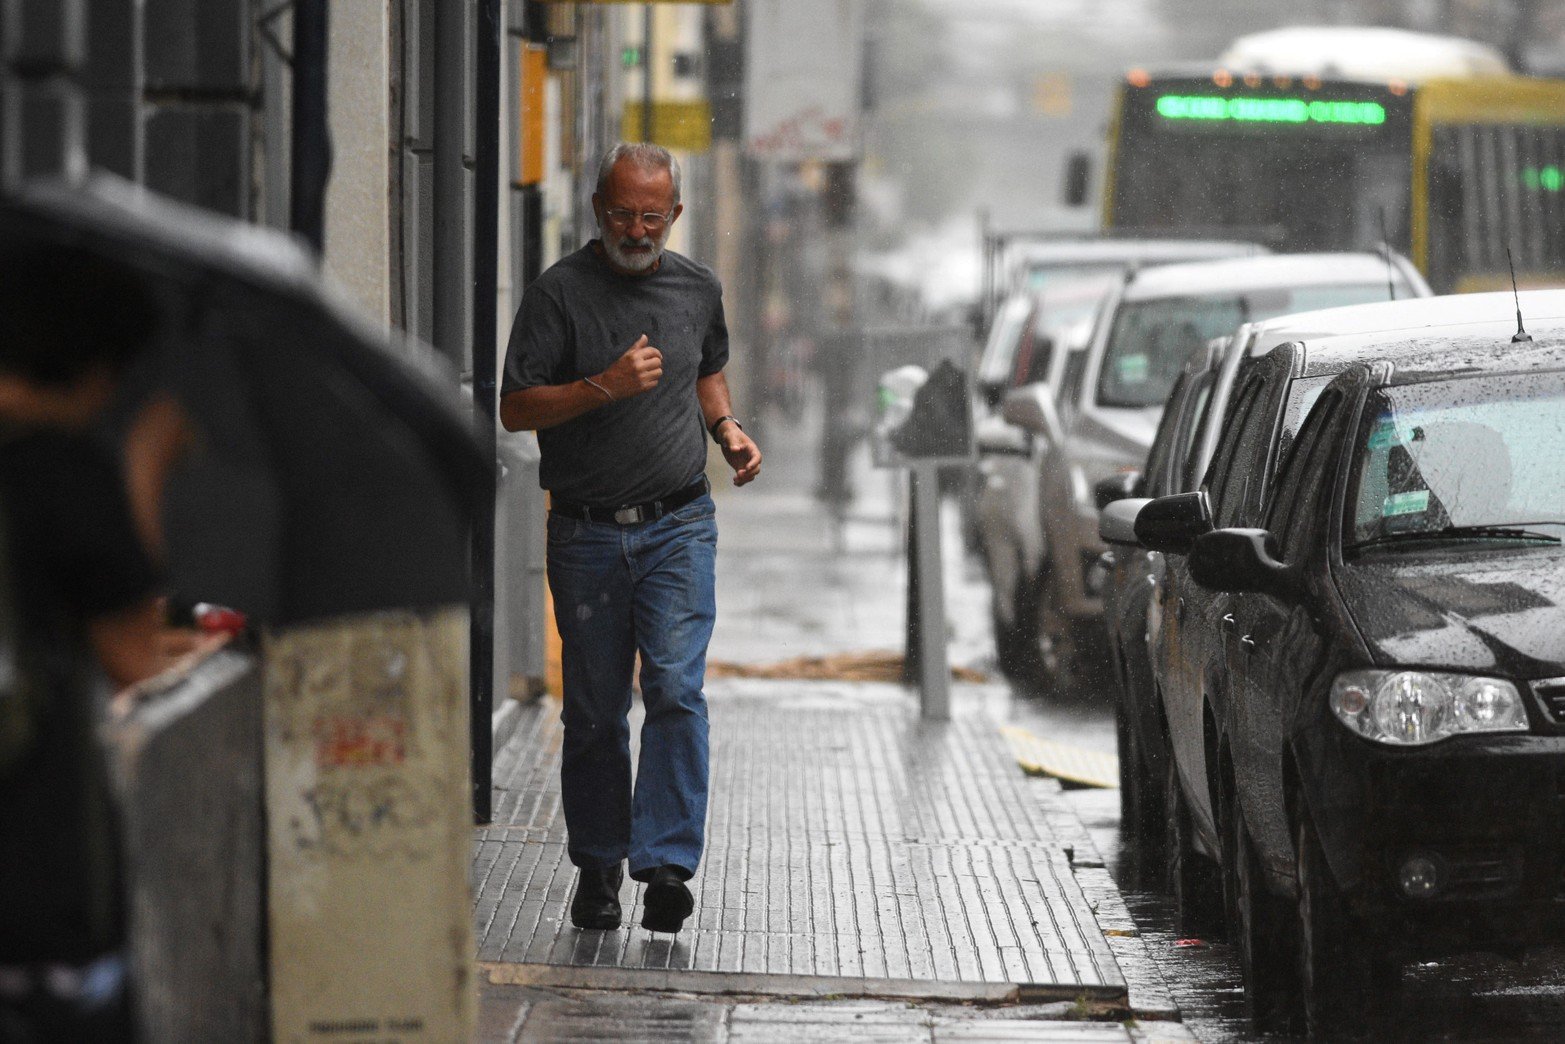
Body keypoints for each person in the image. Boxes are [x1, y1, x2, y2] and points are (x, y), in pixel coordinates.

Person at [499, 142, 761, 934]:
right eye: (621, 213)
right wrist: (602, 387)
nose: (636, 229)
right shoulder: (558, 295)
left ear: (674, 215)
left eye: (651, 215)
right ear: (596, 212)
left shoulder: (696, 288)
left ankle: (667, 865)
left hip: (679, 522)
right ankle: (599, 864)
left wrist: (727, 427)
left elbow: (704, 365)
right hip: (584, 534)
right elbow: (514, 408)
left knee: (676, 690)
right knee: (593, 712)